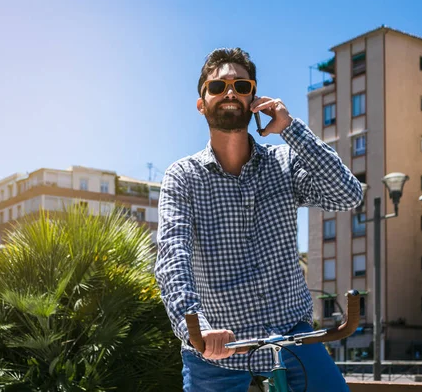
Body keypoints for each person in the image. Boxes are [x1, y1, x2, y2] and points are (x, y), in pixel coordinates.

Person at [154, 47, 362, 392]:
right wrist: (197, 328)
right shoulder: (183, 177)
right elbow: (172, 257)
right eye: (218, 87)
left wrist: (291, 129)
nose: (230, 92)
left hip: (291, 336)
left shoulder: (285, 161)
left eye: (241, 85)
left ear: (254, 98)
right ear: (201, 103)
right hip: (217, 346)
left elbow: (347, 194)